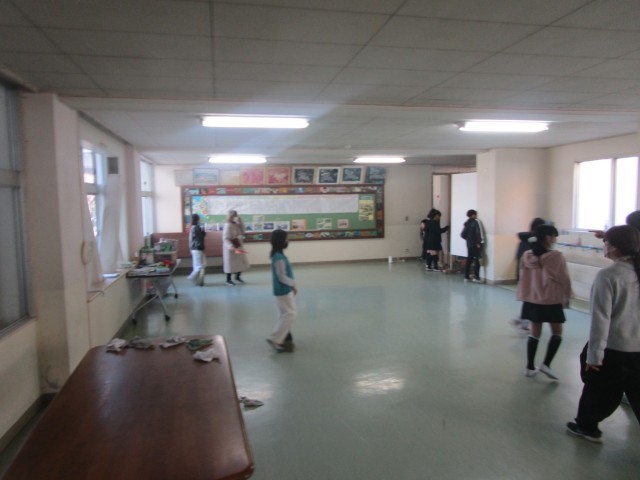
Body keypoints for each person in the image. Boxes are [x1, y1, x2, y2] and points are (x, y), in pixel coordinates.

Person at [566, 225, 640, 443]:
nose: (604, 246)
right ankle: (586, 425)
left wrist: (594, 356)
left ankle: (587, 427)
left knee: (598, 389)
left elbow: (601, 320)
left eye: (606, 242)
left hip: (615, 348)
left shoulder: (608, 276)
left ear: (614, 247)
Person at [517, 224, 572, 379]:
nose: (555, 239)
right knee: (557, 332)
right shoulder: (556, 257)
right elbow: (563, 278)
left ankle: (529, 367)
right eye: (554, 236)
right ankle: (546, 364)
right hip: (550, 299)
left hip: (532, 299)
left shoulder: (527, 255)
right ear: (548, 237)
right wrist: (567, 295)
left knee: (535, 333)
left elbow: (522, 276)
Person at [510, 217, 547, 334]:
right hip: (530, 277)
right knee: (532, 301)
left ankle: (522, 321)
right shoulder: (533, 242)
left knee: (530, 300)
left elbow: (518, 257)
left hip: (524, 276)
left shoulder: (524, 240)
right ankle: (521, 321)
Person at [267, 229, 297, 353]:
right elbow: (282, 277)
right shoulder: (278, 257)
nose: (287, 241)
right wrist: (293, 284)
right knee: (290, 314)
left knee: (284, 314)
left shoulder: (278, 255)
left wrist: (292, 285)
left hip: (283, 289)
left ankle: (281, 339)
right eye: (286, 239)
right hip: (283, 290)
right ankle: (275, 339)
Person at [223, 210, 249, 286]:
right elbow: (225, 238)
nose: (234, 217)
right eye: (232, 216)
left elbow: (243, 231)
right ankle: (228, 280)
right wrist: (231, 246)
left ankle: (237, 277)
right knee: (230, 264)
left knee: (240, 262)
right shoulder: (227, 225)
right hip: (231, 247)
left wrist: (241, 223)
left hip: (238, 245)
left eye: (235, 216)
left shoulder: (236, 224)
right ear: (229, 216)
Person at [461, 209, 484, 283]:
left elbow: (462, 234)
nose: (476, 215)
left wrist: (469, 239)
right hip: (475, 244)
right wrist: (479, 242)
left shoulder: (466, 223)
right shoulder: (475, 222)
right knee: (478, 259)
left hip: (469, 244)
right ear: (473, 215)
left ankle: (466, 277)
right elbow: (478, 233)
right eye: (475, 214)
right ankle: (476, 277)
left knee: (469, 259)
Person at [187, 213, 206, 286]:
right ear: (198, 219)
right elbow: (199, 238)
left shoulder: (192, 227)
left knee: (196, 266)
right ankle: (191, 277)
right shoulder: (196, 227)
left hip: (193, 248)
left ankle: (196, 281)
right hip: (197, 248)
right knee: (200, 266)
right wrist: (203, 233)